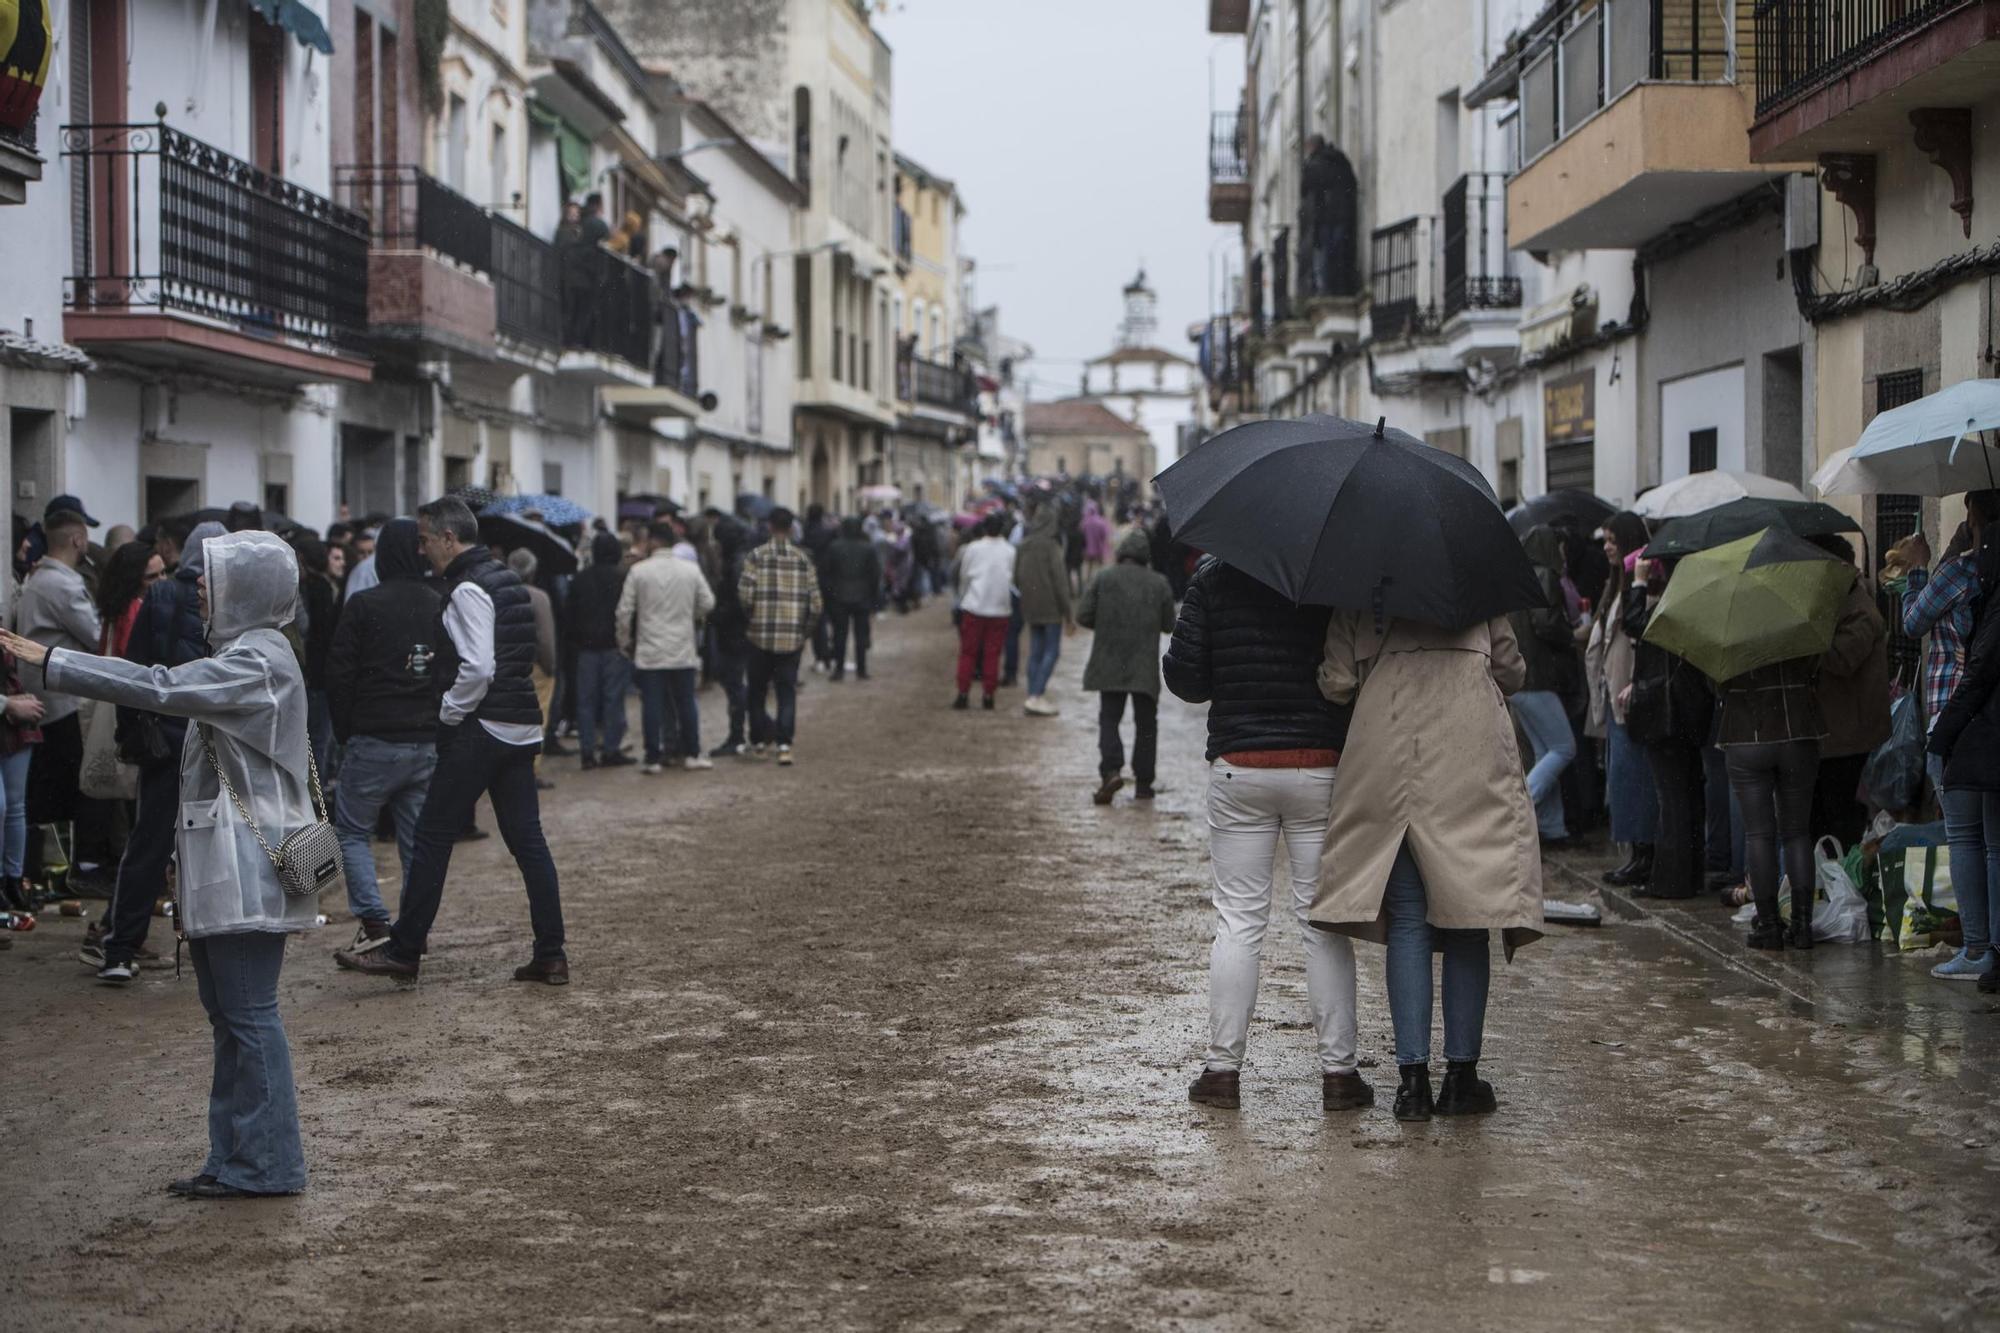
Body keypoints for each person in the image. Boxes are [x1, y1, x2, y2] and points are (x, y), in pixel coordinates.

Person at [1, 531, 318, 1197]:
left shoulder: (256, 658)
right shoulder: (249, 652)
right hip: (232, 863)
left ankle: (266, 1163)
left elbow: (158, 686)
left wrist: (51, 660)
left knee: (247, 1013)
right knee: (234, 1014)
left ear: (249, 590)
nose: (198, 582)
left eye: (215, 575)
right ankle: (238, 1158)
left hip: (245, 866)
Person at [1310, 610, 1543, 1123]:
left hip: (1389, 750)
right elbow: (1511, 671)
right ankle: (1461, 1079)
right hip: (1468, 753)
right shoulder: (1475, 578)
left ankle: (1411, 1086)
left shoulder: (1362, 581)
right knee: (1468, 913)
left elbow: (1337, 682)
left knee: (1409, 920)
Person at [334, 496, 569, 984]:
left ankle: (403, 949)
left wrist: (449, 711)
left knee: (431, 837)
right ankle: (551, 952)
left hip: (481, 728)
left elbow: (479, 666)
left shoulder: (467, 587)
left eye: (424, 539)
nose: (421, 550)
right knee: (528, 842)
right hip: (520, 726)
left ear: (447, 537)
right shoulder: (504, 577)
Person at [1163, 556, 1367, 1114]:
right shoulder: (1332, 577)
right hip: (1319, 765)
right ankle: (1341, 1076)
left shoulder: (1213, 577)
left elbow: (1187, 680)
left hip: (1240, 764)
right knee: (1321, 920)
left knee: (1238, 920)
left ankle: (1223, 1071)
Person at [84, 522, 225, 981]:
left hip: (164, 742)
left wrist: (133, 737)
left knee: (148, 845)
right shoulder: (230, 602)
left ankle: (121, 949)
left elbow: (134, 672)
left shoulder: (159, 598)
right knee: (213, 846)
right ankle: (213, 948)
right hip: (213, 745)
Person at [324, 519, 442, 956]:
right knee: (417, 840)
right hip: (426, 740)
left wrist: (345, 730)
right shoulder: (438, 602)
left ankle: (374, 922)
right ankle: (413, 927)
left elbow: (339, 673)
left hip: (373, 737)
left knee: (353, 831)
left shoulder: (363, 605)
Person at [1902, 492, 1999, 980]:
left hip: (1952, 715)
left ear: (1975, 520)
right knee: (1995, 841)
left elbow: (1912, 620)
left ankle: (1978, 947)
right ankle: (1991, 950)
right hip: (1991, 718)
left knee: (1964, 836)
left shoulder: (1961, 573)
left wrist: (1923, 567)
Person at [1717, 650, 1826, 952]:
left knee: (1759, 833)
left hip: (1746, 731)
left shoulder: (1728, 626)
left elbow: (1716, 681)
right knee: (1797, 832)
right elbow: (1814, 664)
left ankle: (1769, 926)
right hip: (1797, 730)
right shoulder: (1795, 617)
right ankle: (1803, 926)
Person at [14, 509, 102, 883]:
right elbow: (97, 636)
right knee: (65, 788)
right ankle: (67, 868)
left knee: (45, 789)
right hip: (61, 699)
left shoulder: (38, 578)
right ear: (78, 540)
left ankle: (48, 867)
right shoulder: (62, 585)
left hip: (41, 694)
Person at [1076, 529, 1176, 805]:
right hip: (1143, 666)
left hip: (1109, 662)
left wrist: (1107, 622)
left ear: (1121, 553)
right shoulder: (1159, 583)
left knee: (1110, 718)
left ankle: (1110, 771)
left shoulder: (1104, 577)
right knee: (1146, 723)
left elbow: (1083, 615)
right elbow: (1170, 625)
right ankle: (1144, 783)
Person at [1587, 513, 1657, 887]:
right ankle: (1634, 853)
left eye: (1613, 540)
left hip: (1629, 694)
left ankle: (1644, 854)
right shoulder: (1613, 585)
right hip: (1612, 692)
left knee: (1634, 777)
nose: (1607, 547)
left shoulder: (1639, 585)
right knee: (1623, 777)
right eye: (1605, 540)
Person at [1810, 536, 1889, 852]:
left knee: (1839, 815)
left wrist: (1811, 639)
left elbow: (1842, 659)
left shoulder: (1860, 609)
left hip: (1848, 736)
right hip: (1831, 732)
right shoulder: (1840, 602)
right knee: (1819, 817)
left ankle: (1840, 885)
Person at [618, 519, 717, 773]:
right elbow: (708, 602)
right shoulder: (690, 570)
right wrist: (690, 616)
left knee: (651, 704)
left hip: (649, 649)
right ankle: (692, 753)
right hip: (682, 647)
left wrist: (625, 641)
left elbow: (624, 611)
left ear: (652, 541)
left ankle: (652, 757)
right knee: (686, 702)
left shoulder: (639, 571)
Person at [1508, 526, 1582, 846]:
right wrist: (1572, 633)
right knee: (1565, 748)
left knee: (1543, 750)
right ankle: (1517, 812)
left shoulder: (1518, 577)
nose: (1564, 556)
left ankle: (1552, 829)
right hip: (1539, 677)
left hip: (1521, 679)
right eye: (1561, 548)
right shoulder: (1545, 576)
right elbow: (1546, 623)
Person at [737, 508, 820, 767]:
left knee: (757, 691)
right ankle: (784, 744)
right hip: (791, 637)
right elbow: (816, 604)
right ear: (792, 527)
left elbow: (745, 595)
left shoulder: (755, 557)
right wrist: (804, 630)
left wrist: (753, 618)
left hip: (759, 635)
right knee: (786, 691)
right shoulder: (803, 559)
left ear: (770, 527)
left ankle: (760, 742)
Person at [567, 531, 635, 769]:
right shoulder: (623, 578)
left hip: (586, 649)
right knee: (613, 700)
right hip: (614, 647)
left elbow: (570, 615)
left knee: (586, 702)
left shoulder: (580, 579)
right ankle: (610, 749)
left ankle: (587, 751)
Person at [506, 549, 559, 785]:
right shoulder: (538, 597)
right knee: (538, 718)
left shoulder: (499, 593)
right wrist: (550, 667)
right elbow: (545, 638)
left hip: (507, 664)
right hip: (535, 666)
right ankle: (531, 769)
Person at [1016, 502, 1074, 717]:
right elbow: (1060, 583)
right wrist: (1068, 613)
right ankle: (1036, 696)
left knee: (1036, 651)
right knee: (1052, 651)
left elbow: (1015, 576)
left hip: (1030, 606)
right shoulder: (1052, 547)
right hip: (1050, 608)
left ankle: (1033, 694)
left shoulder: (1024, 544)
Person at [952, 512, 1015, 712]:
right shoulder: (1010, 550)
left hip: (974, 605)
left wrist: (963, 597)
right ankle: (989, 695)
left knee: (968, 652)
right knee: (992, 654)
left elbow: (964, 576)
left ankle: (963, 693)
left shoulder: (973, 548)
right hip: (999, 608)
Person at [706, 517, 754, 758]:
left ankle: (739, 735)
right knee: (735, 684)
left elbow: (738, 603)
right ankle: (757, 727)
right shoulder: (742, 559)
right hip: (738, 632)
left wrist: (716, 615)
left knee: (734, 684)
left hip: (735, 633)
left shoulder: (736, 564)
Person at [0, 653, 43, 915]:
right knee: (2, 806)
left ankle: (13, 882)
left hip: (14, 723)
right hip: (11, 711)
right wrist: (9, 705)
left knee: (15, 806)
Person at [293, 536, 341, 776]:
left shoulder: (312, 589)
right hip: (322, 674)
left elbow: (311, 632)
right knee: (319, 736)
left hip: (314, 674)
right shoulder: (324, 586)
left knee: (315, 737)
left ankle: (316, 795)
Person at [822, 516, 882, 682]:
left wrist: (829, 595)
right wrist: (874, 599)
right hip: (862, 596)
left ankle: (839, 669)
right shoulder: (867, 548)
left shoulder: (834, 547)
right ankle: (861, 669)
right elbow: (875, 575)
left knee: (839, 636)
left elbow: (826, 574)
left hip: (839, 597)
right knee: (861, 636)